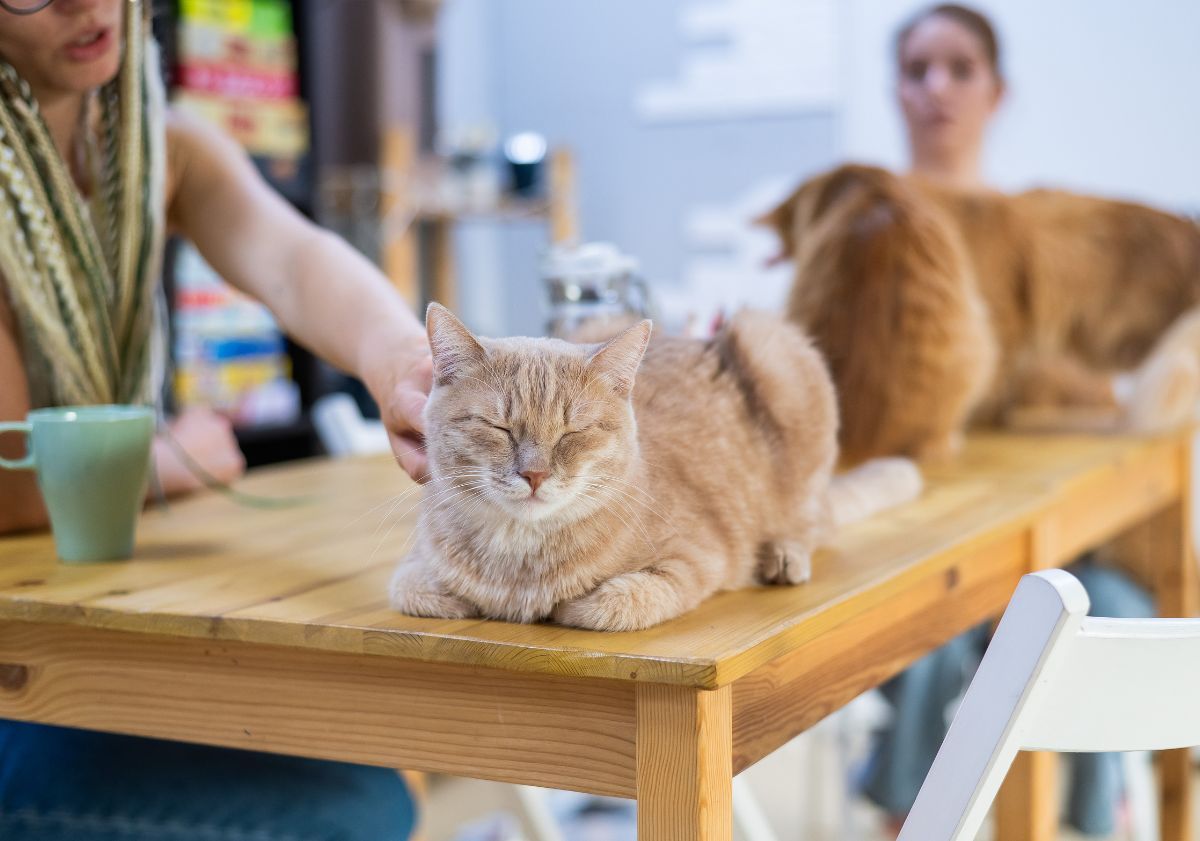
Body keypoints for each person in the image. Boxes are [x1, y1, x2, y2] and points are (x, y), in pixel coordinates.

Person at [0, 0, 430, 836]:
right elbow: (14, 489)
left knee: (355, 765)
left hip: (55, 651)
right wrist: (175, 457)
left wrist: (404, 362)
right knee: (355, 809)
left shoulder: (158, 144)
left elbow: (292, 257)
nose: (88, 4)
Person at [859, 5, 1155, 837]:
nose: (937, 89)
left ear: (998, 91)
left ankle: (1101, 815)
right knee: (939, 649)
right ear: (896, 91)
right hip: (919, 543)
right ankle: (912, 818)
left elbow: (1095, 387)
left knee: (1114, 619)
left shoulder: (1039, 238)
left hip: (1049, 539)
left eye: (959, 68)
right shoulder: (865, 231)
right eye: (918, 70)